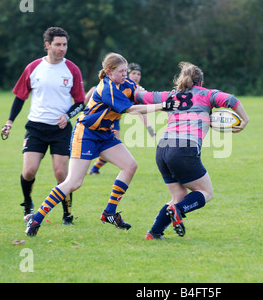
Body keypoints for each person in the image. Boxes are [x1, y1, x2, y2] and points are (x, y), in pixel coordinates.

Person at [24, 53, 177, 237]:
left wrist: (171, 96)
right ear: (108, 72)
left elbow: (142, 95)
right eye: (120, 71)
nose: (124, 74)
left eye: (125, 71)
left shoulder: (126, 83)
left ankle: (109, 212)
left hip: (104, 134)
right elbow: (131, 109)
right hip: (86, 134)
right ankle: (37, 218)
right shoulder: (107, 89)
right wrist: (162, 106)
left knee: (130, 166)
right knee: (73, 182)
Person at [135, 62, 249, 240]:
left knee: (179, 195)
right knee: (206, 192)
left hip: (162, 149)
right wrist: (245, 120)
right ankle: (178, 211)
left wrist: (135, 88)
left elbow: (141, 96)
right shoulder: (208, 94)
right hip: (184, 149)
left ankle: (154, 233)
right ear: (200, 82)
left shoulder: (170, 95)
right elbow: (231, 100)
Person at [1, 27, 85, 225]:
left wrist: (67, 115)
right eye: (57, 44)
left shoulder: (72, 69)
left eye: (64, 44)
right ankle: (28, 203)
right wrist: (9, 122)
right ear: (48, 45)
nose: (62, 48)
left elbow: (80, 102)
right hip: (36, 128)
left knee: (61, 173)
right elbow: (20, 97)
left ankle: (67, 213)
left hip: (61, 130)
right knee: (29, 171)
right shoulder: (33, 68)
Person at [87, 62, 155, 175]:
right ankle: (92, 167)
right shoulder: (117, 85)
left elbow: (140, 111)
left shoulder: (137, 90)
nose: (136, 76)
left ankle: (94, 169)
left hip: (114, 120)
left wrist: (150, 129)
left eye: (138, 74)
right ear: (127, 74)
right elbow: (95, 89)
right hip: (100, 121)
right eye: (134, 73)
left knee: (112, 146)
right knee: (108, 146)